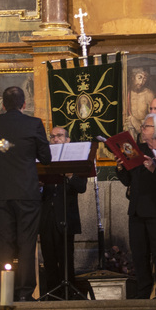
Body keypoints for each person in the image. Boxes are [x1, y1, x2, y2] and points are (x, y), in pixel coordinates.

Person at [0, 86, 52, 302]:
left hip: (2, 191)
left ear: (2, 105)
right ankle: (24, 292)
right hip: (27, 192)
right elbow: (46, 157)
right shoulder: (34, 124)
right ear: (24, 104)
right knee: (26, 242)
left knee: (4, 243)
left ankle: (5, 290)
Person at [117, 113, 156, 299]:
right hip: (137, 209)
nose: (142, 129)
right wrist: (121, 168)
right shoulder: (139, 149)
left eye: (146, 126)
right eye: (143, 126)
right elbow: (129, 180)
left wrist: (154, 169)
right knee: (139, 253)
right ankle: (143, 293)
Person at [39, 127, 88, 297]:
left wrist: (69, 175)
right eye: (52, 136)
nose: (55, 139)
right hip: (46, 216)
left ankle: (68, 293)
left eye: (59, 136)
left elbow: (82, 187)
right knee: (49, 259)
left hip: (66, 215)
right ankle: (52, 294)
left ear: (67, 140)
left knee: (66, 258)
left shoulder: (76, 159)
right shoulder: (44, 158)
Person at [125, 67, 155, 133]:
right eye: (139, 78)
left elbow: (153, 116)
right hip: (129, 128)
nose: (141, 82)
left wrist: (139, 125)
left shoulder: (148, 94)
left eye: (144, 79)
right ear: (133, 78)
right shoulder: (126, 92)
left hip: (144, 129)